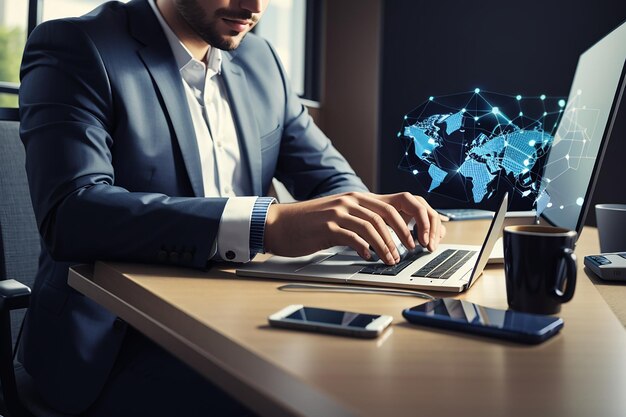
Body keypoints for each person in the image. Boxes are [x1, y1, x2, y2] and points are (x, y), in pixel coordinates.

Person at [18, 0, 446, 415]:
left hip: (250, 321)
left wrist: (368, 215)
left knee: (399, 382)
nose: (254, 6)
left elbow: (330, 178)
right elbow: (72, 212)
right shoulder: (77, 45)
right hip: (117, 345)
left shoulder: (261, 60)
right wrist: (267, 224)